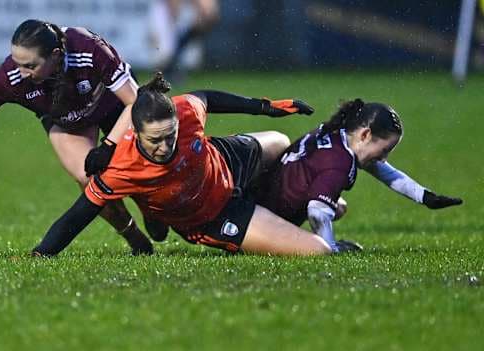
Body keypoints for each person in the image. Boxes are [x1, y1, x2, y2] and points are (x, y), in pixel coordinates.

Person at [0, 19, 154, 255]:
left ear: (55, 56)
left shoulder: (87, 49)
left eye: (30, 66)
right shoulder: (10, 77)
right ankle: (133, 236)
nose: (21, 72)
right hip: (67, 121)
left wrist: (108, 146)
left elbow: (135, 102)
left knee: (136, 166)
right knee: (89, 178)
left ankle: (150, 208)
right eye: (16, 62)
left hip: (114, 106)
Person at [32, 72, 340, 257]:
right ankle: (157, 213)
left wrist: (265, 107)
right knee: (317, 251)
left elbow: (207, 97)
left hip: (223, 161)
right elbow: (75, 217)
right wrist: (39, 255)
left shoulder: (184, 111)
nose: (165, 146)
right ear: (135, 133)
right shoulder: (120, 168)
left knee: (281, 141)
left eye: (171, 136)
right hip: (212, 214)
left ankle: (295, 202)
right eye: (154, 140)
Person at [255, 99, 463, 252]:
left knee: (338, 205)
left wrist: (424, 196)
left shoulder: (338, 136)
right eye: (384, 150)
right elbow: (317, 213)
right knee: (325, 217)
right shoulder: (340, 162)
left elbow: (383, 171)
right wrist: (331, 249)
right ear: (365, 135)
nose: (384, 158)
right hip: (265, 223)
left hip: (262, 203)